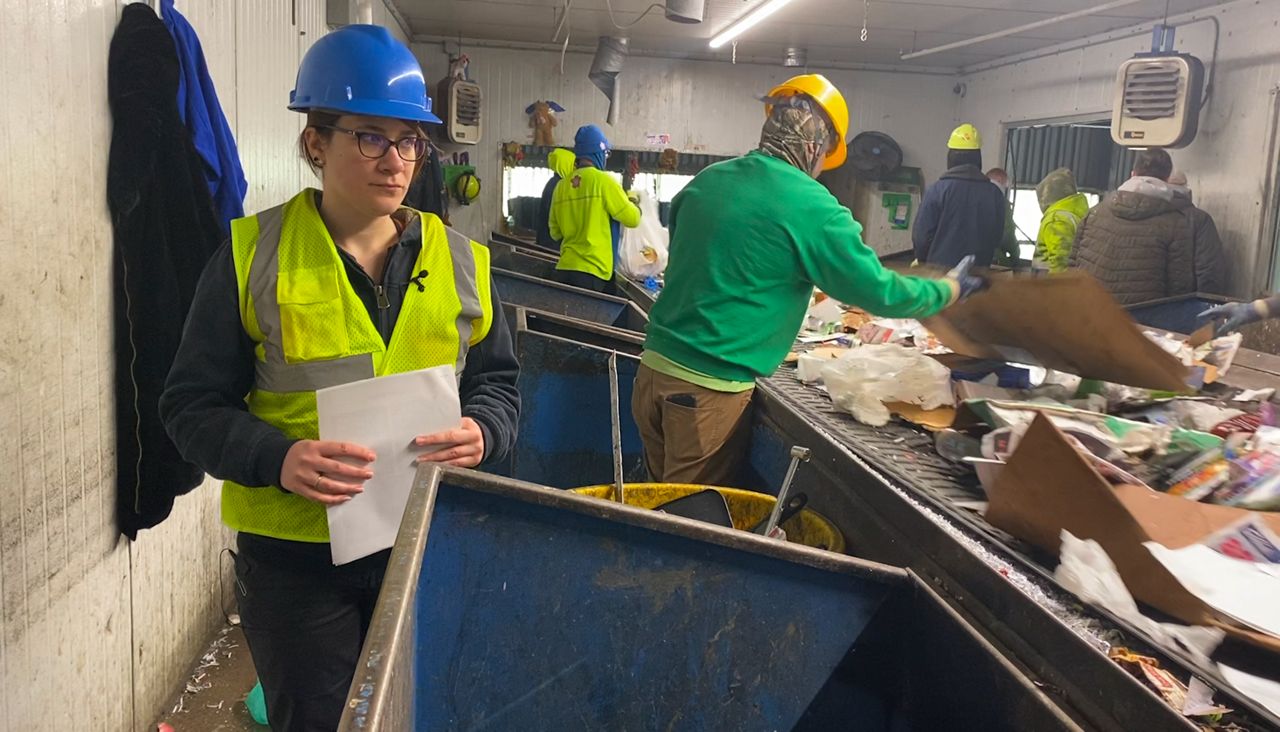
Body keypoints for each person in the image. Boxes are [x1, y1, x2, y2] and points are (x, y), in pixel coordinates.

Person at [158, 26, 520, 731]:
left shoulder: (462, 261)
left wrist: (485, 432)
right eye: (370, 137)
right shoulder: (250, 257)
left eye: (410, 140)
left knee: (420, 712)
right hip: (296, 566)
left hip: (422, 545)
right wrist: (279, 457)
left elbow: (499, 384)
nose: (397, 160)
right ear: (315, 142)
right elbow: (189, 406)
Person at [633, 74, 986, 485]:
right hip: (707, 391)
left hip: (652, 372)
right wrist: (950, 289)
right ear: (817, 148)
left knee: (653, 503)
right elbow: (881, 291)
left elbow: (705, 264)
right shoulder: (810, 204)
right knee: (686, 521)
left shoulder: (707, 182)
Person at [1069, 149, 1224, 304]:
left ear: (1132, 174)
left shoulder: (1093, 213)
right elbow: (1204, 280)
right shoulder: (1183, 222)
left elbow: (1071, 265)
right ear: (1167, 179)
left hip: (1091, 314)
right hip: (1148, 322)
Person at [548, 124, 641, 291]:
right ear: (598, 152)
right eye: (605, 154)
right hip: (594, 272)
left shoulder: (561, 186)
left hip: (565, 269)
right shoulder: (604, 182)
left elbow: (555, 233)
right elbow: (632, 219)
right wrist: (633, 202)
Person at [912, 124, 1007, 268]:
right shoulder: (994, 194)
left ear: (950, 157)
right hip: (978, 274)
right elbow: (996, 238)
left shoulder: (937, 190)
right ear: (978, 158)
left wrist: (923, 260)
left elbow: (922, 237)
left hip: (940, 276)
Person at [1168, 169, 1226, 295]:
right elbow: (1210, 271)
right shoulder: (1200, 219)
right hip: (1183, 303)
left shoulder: (1141, 215)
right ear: (1187, 190)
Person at [1031, 167, 1089, 273]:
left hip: (1048, 284)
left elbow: (1060, 260)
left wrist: (1057, 287)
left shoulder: (1056, 219)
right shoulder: (1076, 214)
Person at [535, 147, 576, 249]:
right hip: (552, 244)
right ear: (565, 165)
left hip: (548, 241)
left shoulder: (554, 183)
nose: (575, 169)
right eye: (573, 165)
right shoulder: (558, 186)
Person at [985, 167, 1020, 268]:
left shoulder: (973, 195)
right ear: (1000, 180)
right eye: (1005, 186)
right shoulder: (1000, 201)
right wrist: (1015, 256)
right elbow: (1007, 233)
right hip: (993, 259)